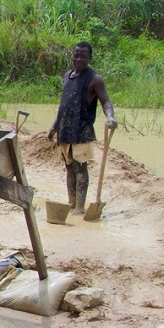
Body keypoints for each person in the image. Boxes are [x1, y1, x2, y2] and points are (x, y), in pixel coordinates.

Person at [47, 41, 117, 215]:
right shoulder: (68, 75)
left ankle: (80, 207)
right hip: (65, 131)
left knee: (80, 169)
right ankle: (71, 203)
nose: (79, 59)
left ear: (89, 58)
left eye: (83, 56)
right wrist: (55, 126)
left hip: (81, 131)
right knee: (69, 168)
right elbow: (64, 106)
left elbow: (106, 101)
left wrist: (111, 117)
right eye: (76, 55)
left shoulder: (94, 79)